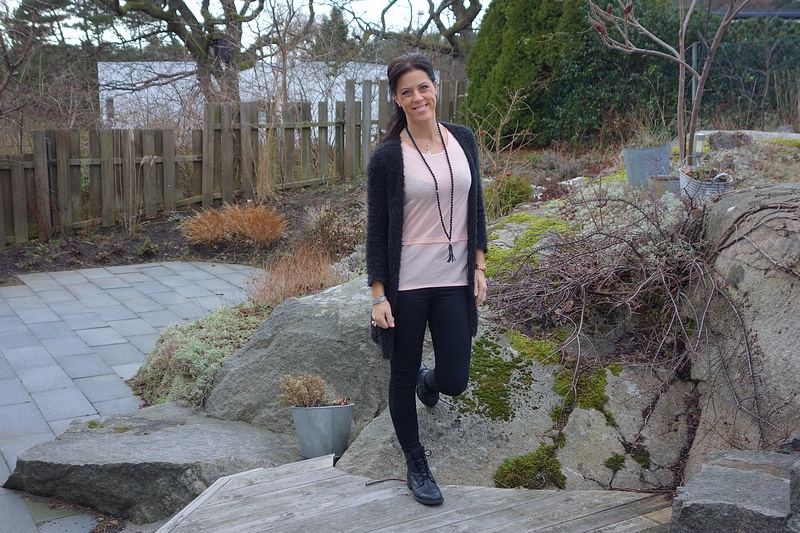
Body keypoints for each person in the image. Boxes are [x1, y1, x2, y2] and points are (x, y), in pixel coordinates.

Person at [366, 52, 488, 506]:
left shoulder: (463, 139)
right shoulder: (387, 157)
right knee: (401, 375)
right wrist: (379, 295)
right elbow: (377, 230)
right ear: (397, 100)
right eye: (406, 92)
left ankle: (429, 381)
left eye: (423, 87)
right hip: (408, 287)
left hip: (454, 279)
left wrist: (479, 266)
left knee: (455, 379)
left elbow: (476, 207)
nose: (417, 97)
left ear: (436, 88)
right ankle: (416, 463)